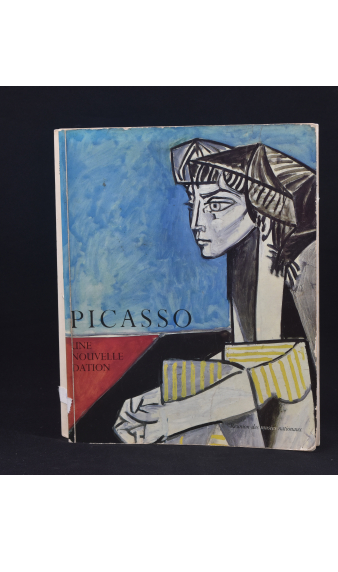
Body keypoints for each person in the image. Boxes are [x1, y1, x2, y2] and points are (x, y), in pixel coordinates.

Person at [114, 139, 318, 450]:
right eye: (192, 205)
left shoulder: (307, 260)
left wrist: (178, 413)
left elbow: (297, 373)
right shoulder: (245, 257)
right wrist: (162, 396)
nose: (197, 223)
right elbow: (253, 358)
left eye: (216, 205)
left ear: (262, 203)